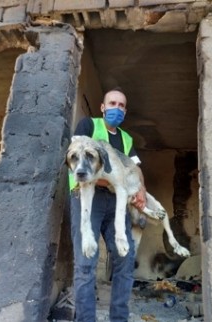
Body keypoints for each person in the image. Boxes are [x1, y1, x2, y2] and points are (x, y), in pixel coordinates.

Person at [69, 88, 146, 321]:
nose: (117, 108)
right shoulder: (88, 126)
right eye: (112, 103)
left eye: (121, 105)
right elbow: (77, 161)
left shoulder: (126, 138)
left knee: (125, 258)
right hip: (87, 198)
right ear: (103, 107)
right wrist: (114, 180)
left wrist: (141, 189)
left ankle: (119, 318)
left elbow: (136, 167)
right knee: (85, 264)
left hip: (116, 201)